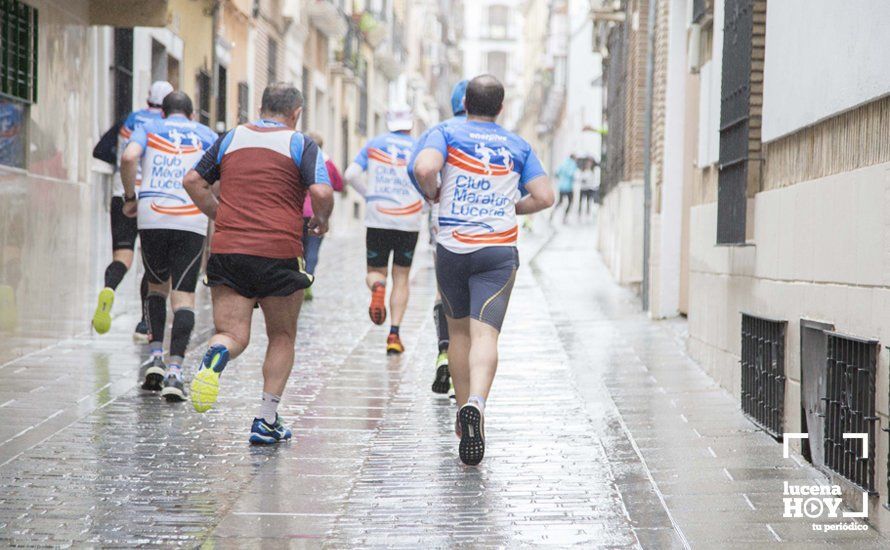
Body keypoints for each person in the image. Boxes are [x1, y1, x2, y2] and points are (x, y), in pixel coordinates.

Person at [413, 75, 554, 465]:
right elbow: (545, 196)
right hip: (497, 250)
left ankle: (462, 412)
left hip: (454, 248)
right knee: (485, 335)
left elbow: (425, 167)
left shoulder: (446, 131)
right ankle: (477, 403)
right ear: (502, 108)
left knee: (457, 333)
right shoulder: (517, 144)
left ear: (464, 102)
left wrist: (434, 192)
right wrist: (514, 207)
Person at [183, 83, 333, 444]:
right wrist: (322, 220)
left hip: (228, 250)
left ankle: (216, 355)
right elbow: (322, 192)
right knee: (281, 335)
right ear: (296, 113)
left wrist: (221, 214)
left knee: (232, 334)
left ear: (262, 106)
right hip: (277, 252)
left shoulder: (232, 137)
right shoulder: (300, 143)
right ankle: (265, 420)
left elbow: (192, 180)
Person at [119, 91, 218, 400]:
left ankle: (156, 358)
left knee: (156, 287)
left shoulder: (150, 127)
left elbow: (128, 157)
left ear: (163, 112)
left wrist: (129, 196)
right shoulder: (206, 134)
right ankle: (176, 372)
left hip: (152, 216)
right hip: (191, 218)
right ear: (191, 114)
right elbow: (217, 179)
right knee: (185, 296)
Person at [91, 81, 173, 340]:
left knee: (122, 258)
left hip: (121, 194)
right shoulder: (165, 127)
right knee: (151, 266)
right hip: (151, 198)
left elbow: (101, 150)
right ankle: (144, 323)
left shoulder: (130, 120)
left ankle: (109, 289)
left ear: (148, 99)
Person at [344, 106, 422, 355]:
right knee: (401, 277)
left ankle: (377, 287)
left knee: (376, 272)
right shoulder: (420, 147)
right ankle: (394, 335)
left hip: (378, 218)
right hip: (409, 220)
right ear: (410, 124)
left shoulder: (373, 144)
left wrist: (370, 196)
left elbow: (351, 174)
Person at [408, 79, 468, 397]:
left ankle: (445, 350)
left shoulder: (440, 131)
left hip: (443, 217)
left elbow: (415, 169)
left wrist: (432, 195)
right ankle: (466, 367)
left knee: (443, 286)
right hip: (484, 224)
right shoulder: (491, 134)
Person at [301, 131, 344, 301]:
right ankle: (307, 281)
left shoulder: (297, 159)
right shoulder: (327, 163)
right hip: (317, 212)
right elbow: (339, 184)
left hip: (297, 212)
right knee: (312, 250)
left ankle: (297, 281)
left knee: (298, 249)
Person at [552, 154, 577, 222]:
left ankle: (552, 214)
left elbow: (556, 173)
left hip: (561, 186)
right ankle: (564, 217)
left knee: (559, 202)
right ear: (574, 158)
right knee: (570, 202)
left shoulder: (563, 163)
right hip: (569, 187)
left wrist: (561, 179)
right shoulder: (573, 164)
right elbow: (571, 174)